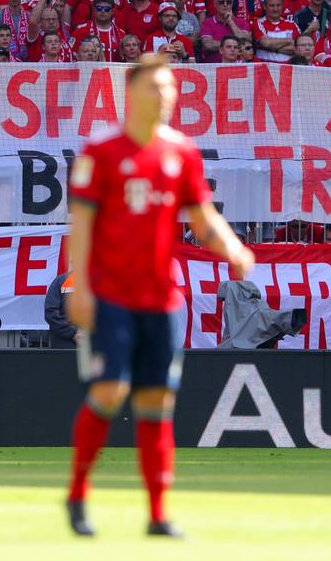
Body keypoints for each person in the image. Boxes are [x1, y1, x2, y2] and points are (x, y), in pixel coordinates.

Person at [64, 54, 255, 538]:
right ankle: (78, 494)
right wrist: (80, 285)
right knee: (110, 392)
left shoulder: (182, 152)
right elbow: (81, 223)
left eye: (170, 88)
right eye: (156, 87)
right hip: (111, 296)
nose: (166, 96)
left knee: (156, 402)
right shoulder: (101, 151)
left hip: (162, 299)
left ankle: (158, 513)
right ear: (131, 92)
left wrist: (232, 246)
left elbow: (202, 216)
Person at [44, 270, 78, 348]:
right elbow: (50, 312)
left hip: (64, 345)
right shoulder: (61, 281)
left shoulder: (60, 280)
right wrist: (73, 333)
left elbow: (50, 312)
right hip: (66, 345)